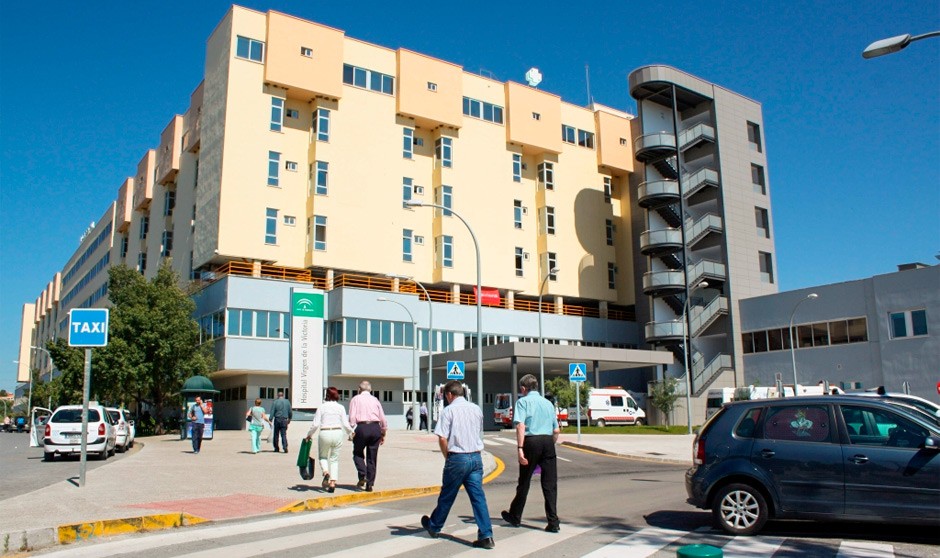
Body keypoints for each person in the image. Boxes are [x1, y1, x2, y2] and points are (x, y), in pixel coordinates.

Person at [420, 381, 495, 549]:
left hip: (457, 457)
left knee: (447, 495)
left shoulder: (449, 410)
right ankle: (486, 535)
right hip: (475, 457)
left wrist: (448, 456)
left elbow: (442, 438)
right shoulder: (476, 409)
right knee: (478, 497)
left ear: (449, 394)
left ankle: (434, 526)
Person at [501, 374, 560, 533]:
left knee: (525, 481)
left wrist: (520, 448)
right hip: (548, 441)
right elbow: (556, 430)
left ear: (523, 388)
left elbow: (520, 426)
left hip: (531, 441)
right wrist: (549, 444)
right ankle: (553, 521)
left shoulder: (522, 402)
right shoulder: (548, 403)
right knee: (550, 484)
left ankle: (515, 515)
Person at [305, 387, 354, 493]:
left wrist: (309, 435)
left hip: (325, 432)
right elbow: (345, 423)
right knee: (334, 459)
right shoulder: (340, 407)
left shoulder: (322, 407)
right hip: (337, 432)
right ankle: (332, 482)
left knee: (323, 456)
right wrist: (351, 432)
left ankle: (326, 472)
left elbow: (315, 424)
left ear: (326, 395)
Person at [348, 380, 387, 492]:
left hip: (362, 427)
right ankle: (369, 484)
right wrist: (383, 432)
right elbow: (382, 417)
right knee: (372, 457)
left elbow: (352, 418)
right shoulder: (375, 400)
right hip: (375, 427)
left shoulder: (355, 399)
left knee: (357, 453)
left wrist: (351, 430)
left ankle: (363, 474)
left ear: (359, 389)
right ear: (370, 390)